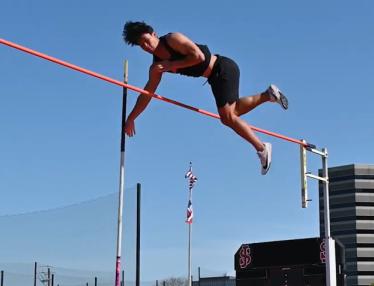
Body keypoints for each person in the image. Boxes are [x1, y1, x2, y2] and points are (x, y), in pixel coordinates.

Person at [121, 21, 289, 175]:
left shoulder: (173, 39)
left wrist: (171, 65)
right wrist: (131, 118)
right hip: (214, 77)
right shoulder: (156, 67)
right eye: (141, 45)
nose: (146, 46)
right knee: (234, 111)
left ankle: (262, 148)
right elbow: (147, 93)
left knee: (228, 117)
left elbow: (199, 56)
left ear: (154, 34)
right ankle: (269, 95)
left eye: (146, 40)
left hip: (222, 68)